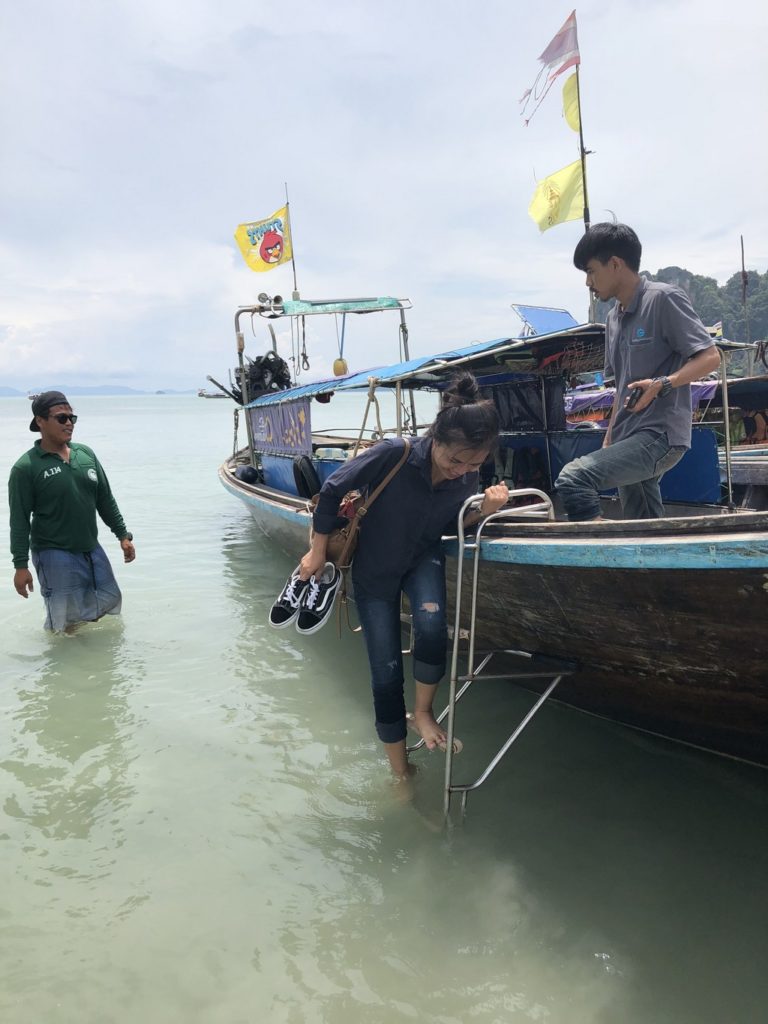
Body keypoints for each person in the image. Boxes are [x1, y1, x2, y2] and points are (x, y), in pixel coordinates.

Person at [299, 373, 508, 782]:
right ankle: (400, 773)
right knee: (386, 673)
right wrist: (317, 550)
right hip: (374, 572)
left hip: (421, 557)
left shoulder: (466, 473)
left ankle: (424, 713)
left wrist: (484, 508)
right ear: (437, 440)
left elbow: (452, 522)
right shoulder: (395, 453)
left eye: (474, 464)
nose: (461, 471)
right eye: (455, 460)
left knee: (432, 629)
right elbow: (331, 489)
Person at [554, 223, 721, 521]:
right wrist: (609, 438)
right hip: (626, 438)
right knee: (641, 520)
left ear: (615, 264)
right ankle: (654, 566)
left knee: (573, 478)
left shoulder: (663, 299)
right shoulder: (612, 320)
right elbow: (621, 387)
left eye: (591, 271)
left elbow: (710, 357)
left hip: (660, 435)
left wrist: (663, 384)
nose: (588, 283)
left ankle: (595, 556)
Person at [9, 391, 136, 631]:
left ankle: (89, 661)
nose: (69, 423)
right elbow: (19, 521)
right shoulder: (25, 468)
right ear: (40, 421)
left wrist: (123, 535)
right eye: (61, 418)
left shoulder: (85, 454)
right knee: (63, 620)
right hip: (53, 552)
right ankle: (62, 660)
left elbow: (104, 498)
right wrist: (20, 565)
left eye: (72, 418)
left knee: (107, 603)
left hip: (90, 548)